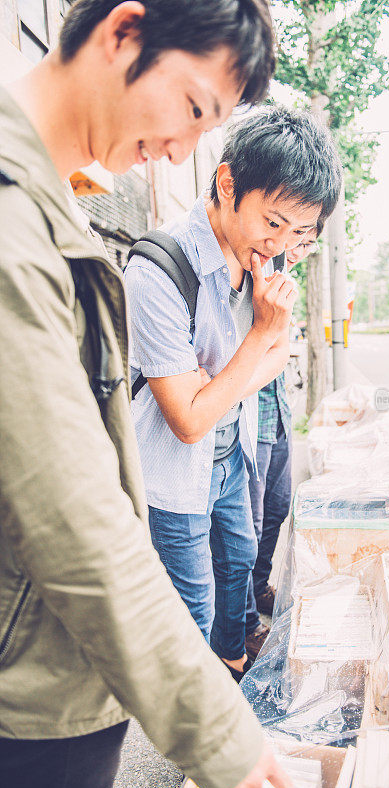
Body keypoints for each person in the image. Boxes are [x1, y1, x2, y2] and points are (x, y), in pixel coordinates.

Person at [0, 2, 301, 788]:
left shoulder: (51, 202)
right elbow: (73, 517)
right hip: (28, 696)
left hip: (61, 664)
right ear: (123, 32)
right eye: (193, 109)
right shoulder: (13, 223)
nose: (182, 147)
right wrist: (219, 732)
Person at [125, 107, 342, 681]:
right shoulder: (158, 269)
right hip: (174, 478)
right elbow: (189, 423)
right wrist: (262, 338)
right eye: (273, 223)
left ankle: (232, 666)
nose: (281, 248)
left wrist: (218, 384)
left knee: (241, 567)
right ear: (227, 184)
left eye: (299, 234)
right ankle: (199, 743)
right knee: (191, 612)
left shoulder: (260, 262)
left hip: (232, 456)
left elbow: (277, 360)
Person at [244, 226, 321, 660]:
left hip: (277, 413)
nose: (298, 251)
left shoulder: (283, 280)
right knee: (246, 529)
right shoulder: (255, 273)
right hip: (248, 420)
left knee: (276, 510)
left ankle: (259, 588)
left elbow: (281, 350)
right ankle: (245, 623)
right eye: (297, 238)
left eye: (309, 244)